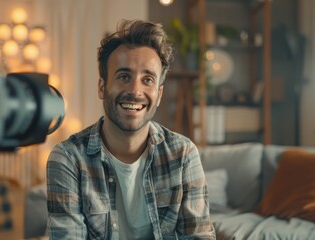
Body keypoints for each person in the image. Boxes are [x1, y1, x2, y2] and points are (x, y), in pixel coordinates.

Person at [46, 19, 215, 239]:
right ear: (102, 87)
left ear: (159, 94)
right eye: (124, 77)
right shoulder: (68, 159)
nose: (135, 90)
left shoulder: (183, 154)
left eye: (147, 79)